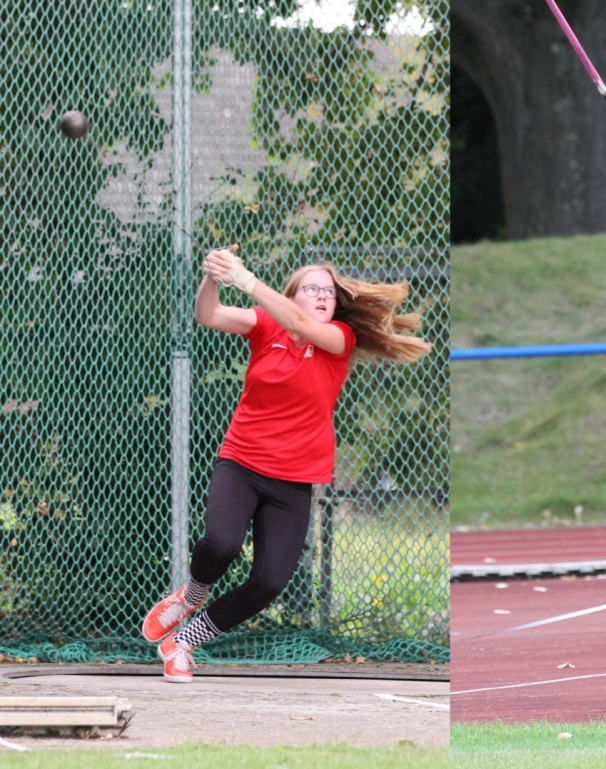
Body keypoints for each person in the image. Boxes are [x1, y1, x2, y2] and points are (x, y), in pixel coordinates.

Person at [141, 245, 431, 682]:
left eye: (328, 292)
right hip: (242, 462)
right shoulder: (266, 324)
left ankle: (183, 642)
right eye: (311, 289)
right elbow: (208, 315)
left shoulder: (338, 339)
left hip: (294, 480)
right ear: (292, 295)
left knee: (269, 583)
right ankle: (190, 595)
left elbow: (299, 323)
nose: (321, 296)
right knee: (220, 544)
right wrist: (215, 276)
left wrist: (247, 279)